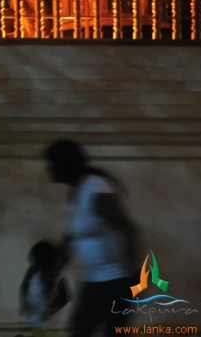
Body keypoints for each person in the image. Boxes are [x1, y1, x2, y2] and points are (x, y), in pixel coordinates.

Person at [44, 139, 138, 337]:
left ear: (64, 165)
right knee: (80, 330)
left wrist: (134, 276)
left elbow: (126, 228)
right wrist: (54, 269)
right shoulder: (76, 192)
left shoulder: (97, 189)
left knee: (112, 332)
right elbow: (71, 235)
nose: (48, 169)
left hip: (116, 279)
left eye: (51, 164)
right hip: (93, 278)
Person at [19, 240, 71, 336]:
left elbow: (66, 297)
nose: (39, 269)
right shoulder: (33, 271)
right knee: (38, 330)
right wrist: (24, 302)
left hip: (49, 315)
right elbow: (24, 286)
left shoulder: (57, 276)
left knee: (42, 330)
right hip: (36, 310)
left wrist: (52, 310)